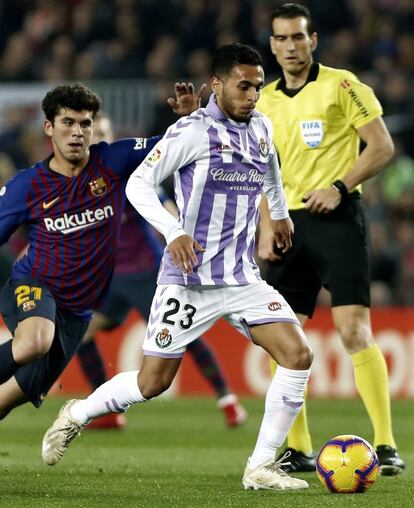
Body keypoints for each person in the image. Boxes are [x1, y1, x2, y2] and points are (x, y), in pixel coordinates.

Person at [42, 43, 313, 492]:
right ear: (217, 84)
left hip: (241, 278)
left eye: (258, 87)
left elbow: (270, 170)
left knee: (298, 355)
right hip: (187, 281)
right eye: (243, 86)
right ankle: (77, 413)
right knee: (152, 383)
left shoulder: (261, 126)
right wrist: (173, 231)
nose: (252, 96)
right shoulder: (191, 132)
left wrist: (279, 213)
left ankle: (261, 466)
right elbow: (139, 186)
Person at [256, 3, 404, 476]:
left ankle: (385, 444)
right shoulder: (264, 101)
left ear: (312, 40)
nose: (291, 46)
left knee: (353, 330)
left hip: (338, 219)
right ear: (273, 44)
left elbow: (382, 146)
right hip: (286, 226)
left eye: (298, 37)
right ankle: (296, 448)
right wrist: (264, 227)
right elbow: (258, 169)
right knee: (286, 341)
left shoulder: (342, 84)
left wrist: (339, 187)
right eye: (281, 38)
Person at [0, 81, 201, 422]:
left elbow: (171, 146)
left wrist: (191, 119)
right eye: (67, 123)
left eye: (85, 123)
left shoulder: (113, 161)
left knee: (4, 401)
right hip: (33, 286)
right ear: (49, 127)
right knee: (33, 342)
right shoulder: (28, 185)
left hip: (77, 315)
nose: (77, 132)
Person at [77, 112, 247, 429]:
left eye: (103, 131)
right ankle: (108, 411)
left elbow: (164, 202)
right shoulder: (78, 180)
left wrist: (180, 232)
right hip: (111, 277)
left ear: (113, 136)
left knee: (180, 336)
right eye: (92, 132)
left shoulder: (128, 172)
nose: (97, 138)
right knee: (80, 334)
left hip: (145, 273)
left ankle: (228, 401)